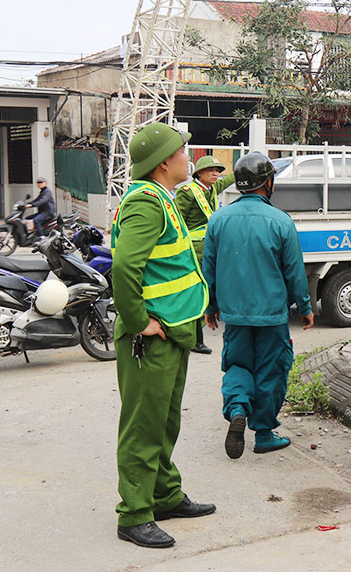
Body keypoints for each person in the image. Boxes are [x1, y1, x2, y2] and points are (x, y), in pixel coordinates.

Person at [110, 123, 215, 549]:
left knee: (165, 421)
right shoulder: (146, 205)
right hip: (149, 337)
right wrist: (138, 322)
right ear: (164, 163)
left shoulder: (164, 199)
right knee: (143, 426)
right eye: (184, 152)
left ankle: (165, 495)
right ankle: (133, 515)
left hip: (173, 331)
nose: (189, 158)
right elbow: (123, 269)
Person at [202, 152, 315, 459]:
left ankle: (238, 407)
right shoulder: (281, 221)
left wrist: (210, 305)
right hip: (272, 315)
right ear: (268, 182)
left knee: (237, 365)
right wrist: (305, 307)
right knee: (271, 371)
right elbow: (294, 270)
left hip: (234, 315)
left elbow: (208, 266)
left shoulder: (219, 219)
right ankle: (263, 434)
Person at [174, 155, 236, 355]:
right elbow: (177, 221)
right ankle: (194, 339)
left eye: (218, 170)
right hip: (195, 252)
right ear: (199, 173)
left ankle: (195, 338)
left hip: (209, 250)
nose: (216, 174)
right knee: (199, 295)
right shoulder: (188, 192)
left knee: (205, 295)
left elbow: (228, 180)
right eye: (211, 170)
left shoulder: (210, 189)